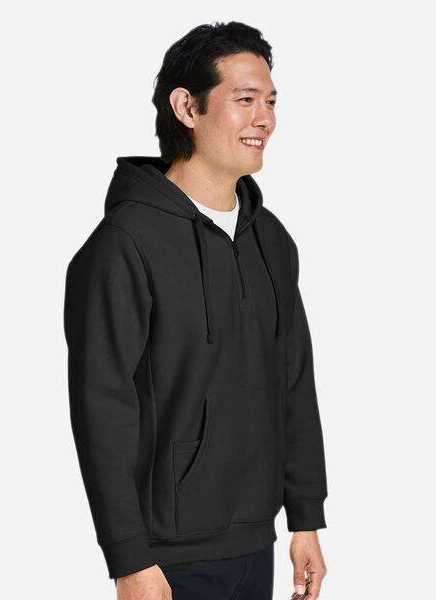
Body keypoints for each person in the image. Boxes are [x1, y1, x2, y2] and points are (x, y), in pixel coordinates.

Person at [63, 21, 329, 600]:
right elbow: (102, 408)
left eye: (271, 102)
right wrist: (128, 558)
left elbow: (293, 381)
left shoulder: (271, 240)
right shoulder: (123, 244)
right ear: (187, 107)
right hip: (165, 558)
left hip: (255, 543)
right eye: (245, 100)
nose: (265, 119)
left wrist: (305, 517)